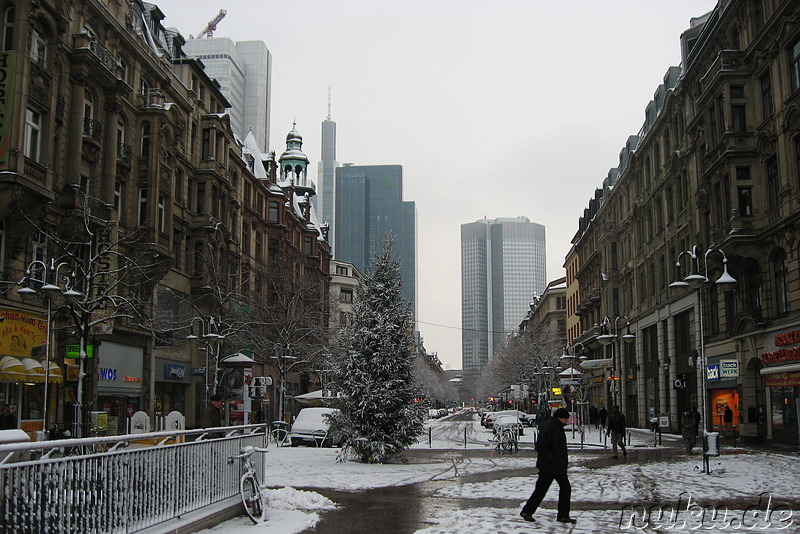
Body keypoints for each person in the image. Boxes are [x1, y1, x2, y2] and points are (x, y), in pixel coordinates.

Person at [519, 408, 576, 524]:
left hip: (556, 466)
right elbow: (541, 445)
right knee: (543, 490)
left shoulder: (555, 426)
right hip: (549, 466)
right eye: (566, 419)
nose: (567, 421)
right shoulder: (550, 427)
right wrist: (551, 458)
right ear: (561, 418)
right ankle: (527, 511)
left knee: (561, 488)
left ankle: (562, 515)